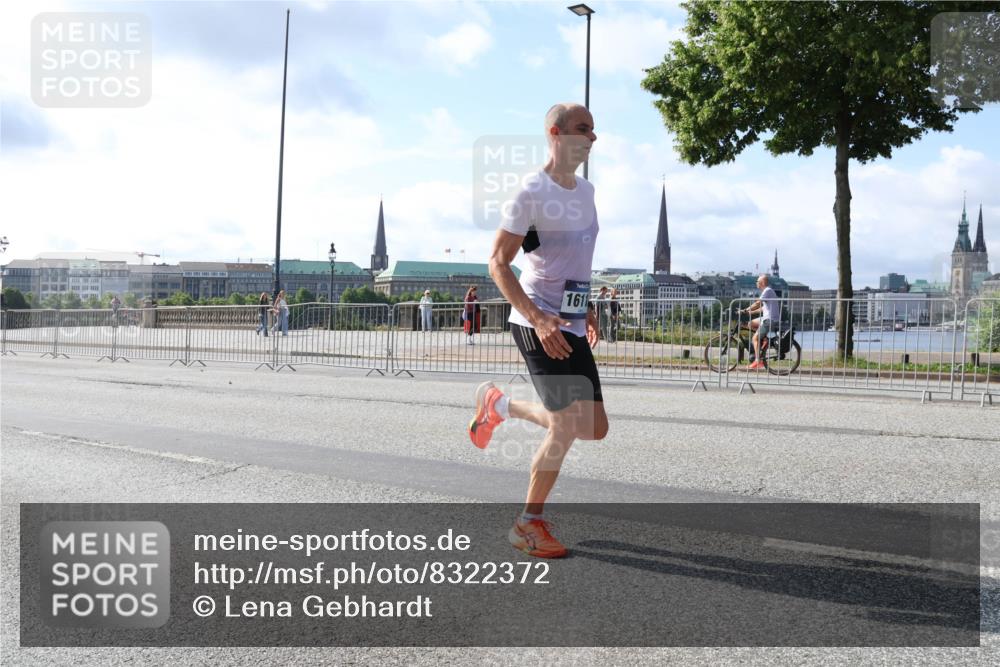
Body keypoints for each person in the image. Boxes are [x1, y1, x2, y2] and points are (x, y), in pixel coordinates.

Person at [468, 102, 607, 559]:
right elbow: (497, 263)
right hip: (536, 322)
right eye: (583, 129)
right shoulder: (530, 191)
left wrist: (582, 307)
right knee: (567, 425)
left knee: (594, 428)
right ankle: (527, 523)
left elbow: (574, 257)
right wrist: (542, 318)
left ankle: (499, 405)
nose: (591, 137)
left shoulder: (585, 191)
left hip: (568, 319)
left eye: (593, 130)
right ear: (556, 132)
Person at [745, 274, 778, 370]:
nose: (756, 283)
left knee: (754, 338)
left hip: (770, 320)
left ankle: (757, 361)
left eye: (757, 281)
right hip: (766, 318)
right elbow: (763, 308)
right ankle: (763, 339)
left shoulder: (767, 290)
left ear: (762, 282)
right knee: (750, 323)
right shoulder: (768, 291)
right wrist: (751, 312)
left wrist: (746, 310)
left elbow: (758, 303)